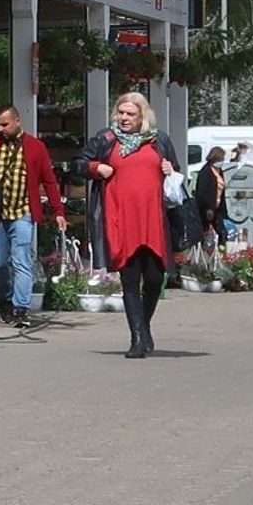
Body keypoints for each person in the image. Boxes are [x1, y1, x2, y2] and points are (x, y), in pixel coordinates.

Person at [73, 92, 181, 359]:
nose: (123, 118)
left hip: (153, 220)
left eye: (130, 114)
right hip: (120, 220)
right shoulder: (106, 139)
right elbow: (78, 164)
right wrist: (96, 168)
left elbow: (176, 172)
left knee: (154, 279)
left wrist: (170, 169)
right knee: (130, 280)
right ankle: (137, 338)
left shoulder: (159, 140)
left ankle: (144, 326)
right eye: (120, 113)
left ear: (142, 116)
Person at [0, 105, 67, 329]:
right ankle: (7, 297)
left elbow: (49, 181)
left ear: (17, 121)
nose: (0, 129)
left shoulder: (35, 147)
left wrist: (58, 211)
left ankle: (21, 307)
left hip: (22, 212)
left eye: (5, 124)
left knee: (21, 259)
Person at [194, 146, 229, 249]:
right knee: (207, 233)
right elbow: (202, 192)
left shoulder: (220, 171)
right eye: (221, 159)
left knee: (222, 233)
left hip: (217, 208)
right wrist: (208, 208)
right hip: (207, 209)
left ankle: (221, 250)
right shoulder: (206, 172)